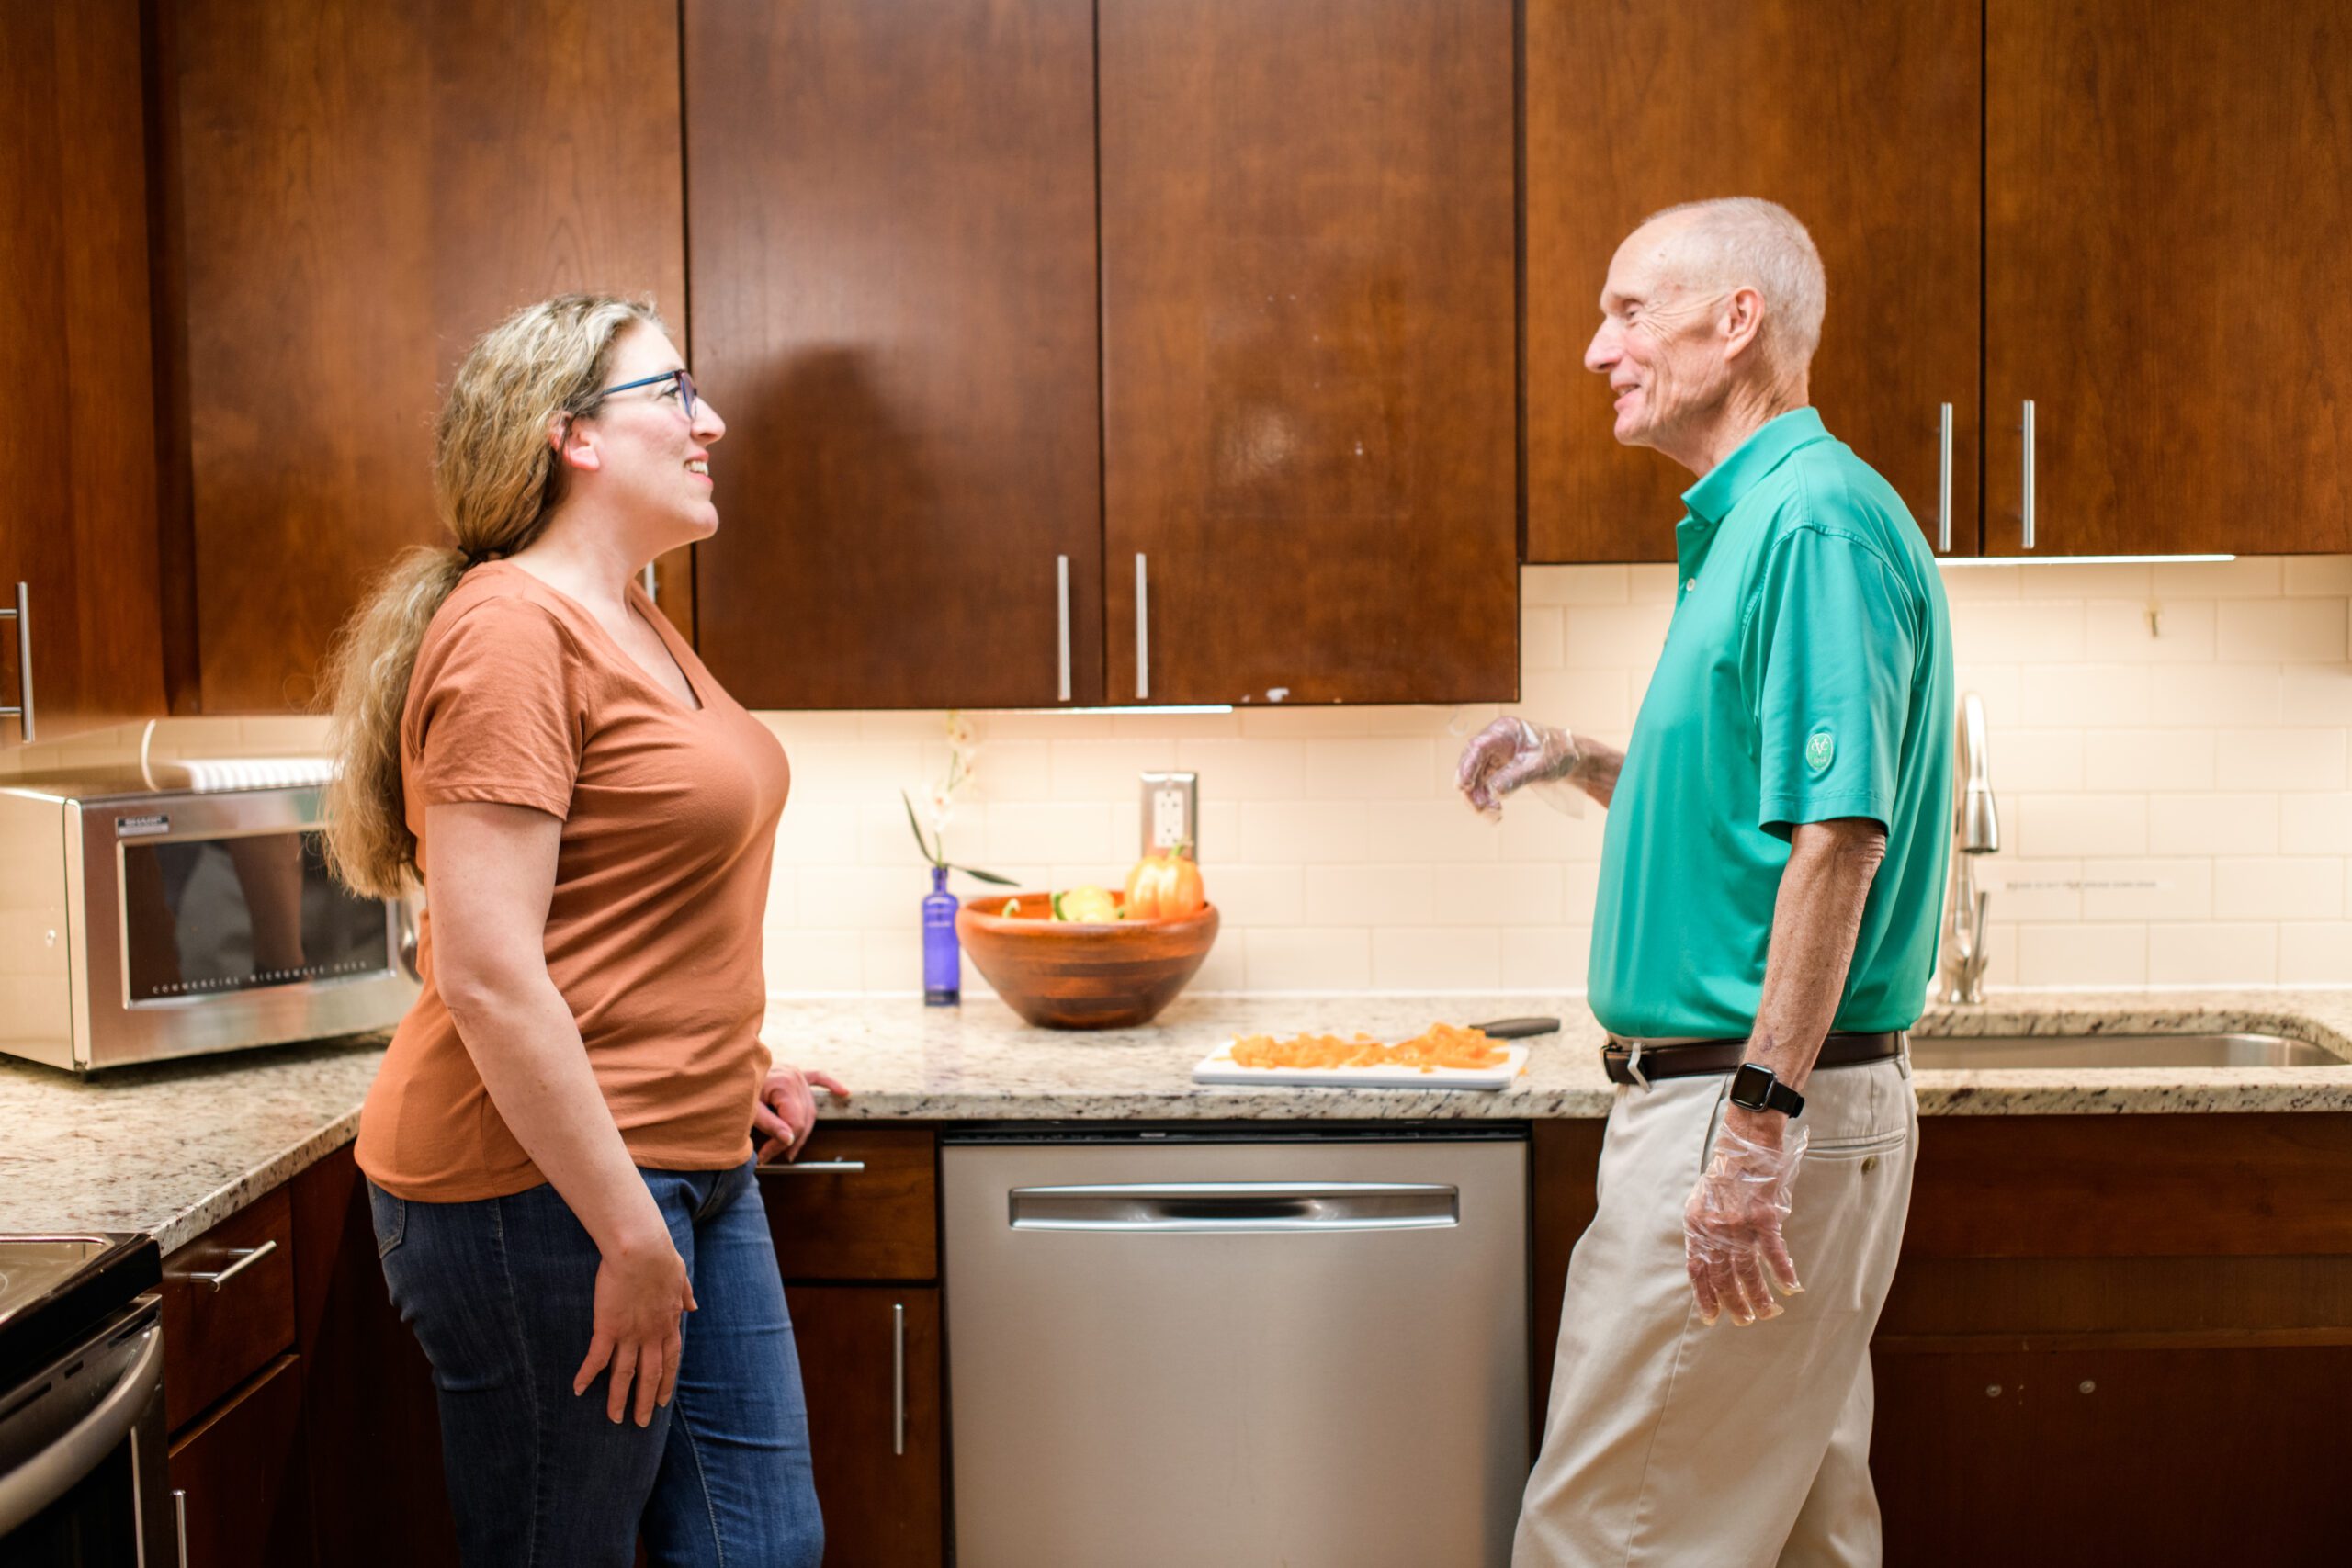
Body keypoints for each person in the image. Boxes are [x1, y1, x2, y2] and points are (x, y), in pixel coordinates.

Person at [1460, 199, 1954, 1567]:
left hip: (1738, 1104)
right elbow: (1761, 799)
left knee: (1605, 1542)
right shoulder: (1753, 524)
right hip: (1752, 1102)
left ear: (1737, 321)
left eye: (1628, 310)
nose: (1594, 349)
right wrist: (1572, 756)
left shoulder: (1811, 526)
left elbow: (1841, 835)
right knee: (1803, 1539)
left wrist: (1754, 1129)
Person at [322, 293, 844, 1568]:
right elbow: (492, 974)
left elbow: (627, 908)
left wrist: (733, 1070)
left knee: (763, 1550)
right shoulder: (511, 632)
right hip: (543, 1195)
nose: (709, 419)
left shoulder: (638, 619)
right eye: (672, 392)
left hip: (685, 1160)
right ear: (574, 438)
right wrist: (626, 1231)